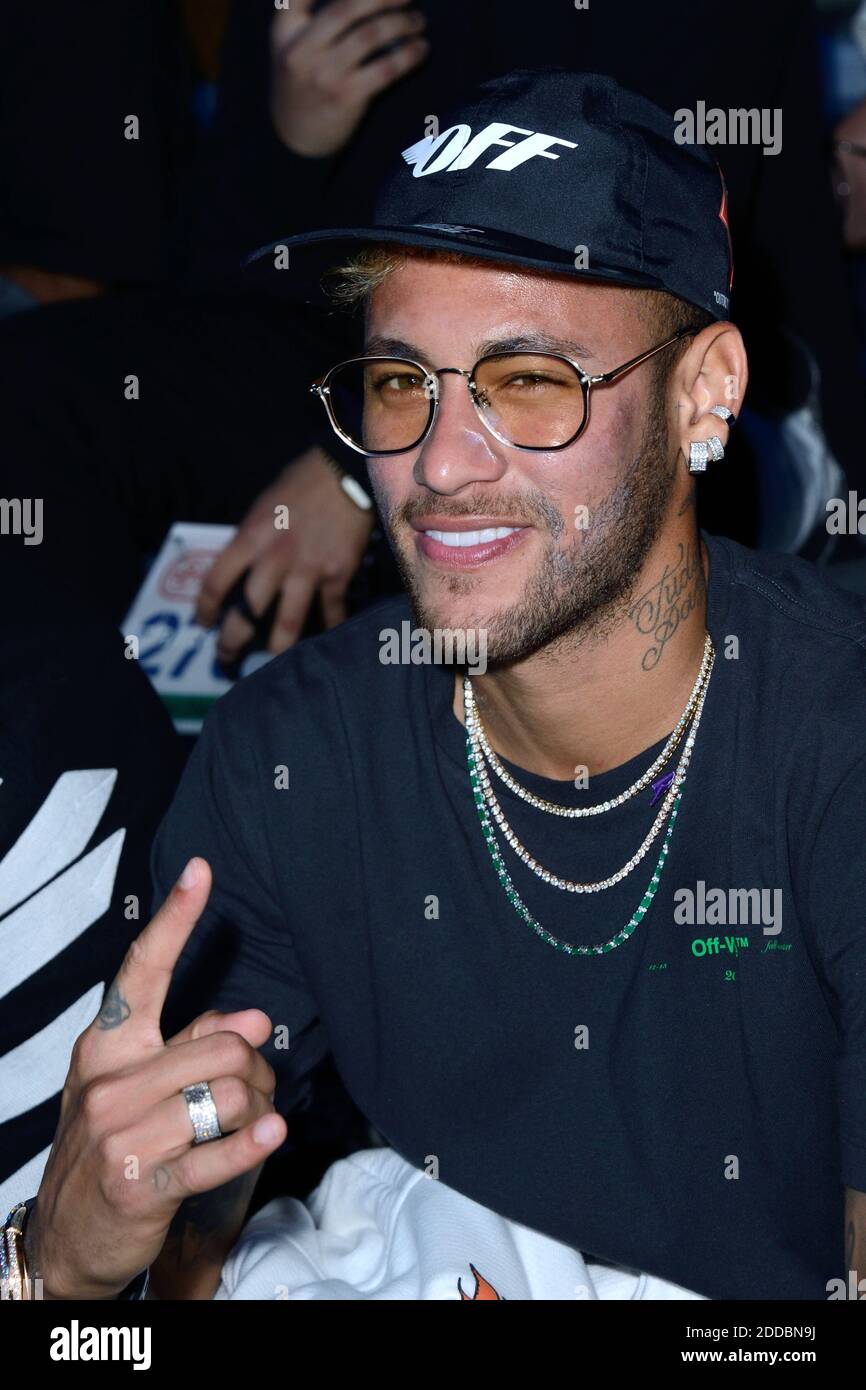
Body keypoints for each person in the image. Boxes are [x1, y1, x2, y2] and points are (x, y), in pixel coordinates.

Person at [10, 69, 866, 1301]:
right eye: (401, 382)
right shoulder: (292, 754)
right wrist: (61, 1273)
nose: (440, 462)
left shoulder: (832, 742)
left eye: (530, 381)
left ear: (704, 391)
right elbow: (166, 1264)